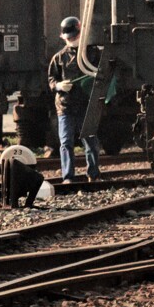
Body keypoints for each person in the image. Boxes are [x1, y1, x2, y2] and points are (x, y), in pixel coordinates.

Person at [47, 16, 101, 184]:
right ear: (64, 38)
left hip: (86, 105)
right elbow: (51, 80)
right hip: (65, 106)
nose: (72, 40)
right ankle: (68, 177)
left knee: (91, 142)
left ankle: (93, 174)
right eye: (69, 38)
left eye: (74, 37)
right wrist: (59, 86)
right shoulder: (59, 58)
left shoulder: (92, 53)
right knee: (66, 142)